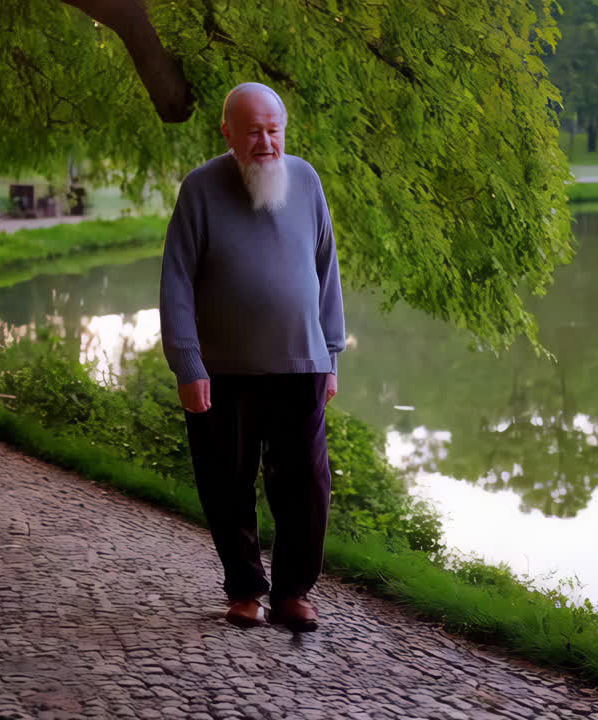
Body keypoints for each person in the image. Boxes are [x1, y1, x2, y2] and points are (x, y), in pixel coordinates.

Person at [159, 82, 345, 632]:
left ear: (283, 129)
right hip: (224, 371)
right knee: (226, 481)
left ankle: (293, 593)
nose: (266, 142)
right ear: (227, 132)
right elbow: (176, 282)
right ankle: (244, 590)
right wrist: (188, 363)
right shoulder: (200, 189)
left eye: (274, 130)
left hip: (302, 364)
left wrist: (331, 352)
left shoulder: (307, 180)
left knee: (307, 486)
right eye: (253, 131)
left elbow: (326, 271)